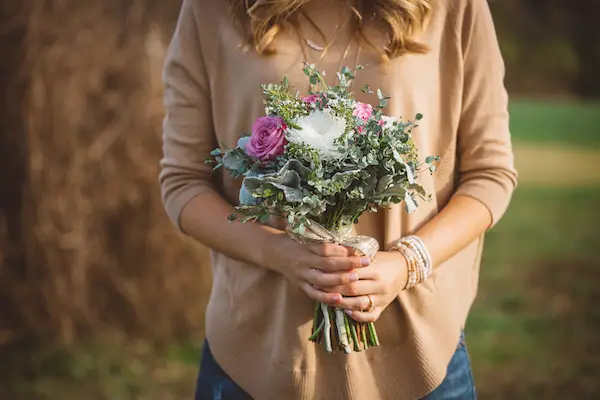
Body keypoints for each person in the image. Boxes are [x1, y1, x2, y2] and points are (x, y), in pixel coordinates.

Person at [159, 0, 517, 398]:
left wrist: (407, 262)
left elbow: (490, 174)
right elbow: (184, 182)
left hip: (418, 357)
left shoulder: (454, 8)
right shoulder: (212, 11)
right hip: (256, 361)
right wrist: (274, 251)